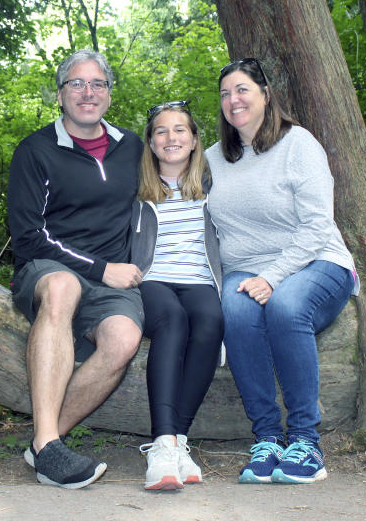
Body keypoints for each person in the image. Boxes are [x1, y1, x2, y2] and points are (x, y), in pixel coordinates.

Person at [206, 57, 359, 485]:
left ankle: (307, 441)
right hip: (243, 269)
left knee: (286, 308)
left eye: (242, 90)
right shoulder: (215, 159)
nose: (233, 100)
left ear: (265, 94)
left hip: (317, 262)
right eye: (225, 93)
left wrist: (272, 277)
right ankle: (269, 439)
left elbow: (317, 225)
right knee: (233, 312)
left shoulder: (298, 144)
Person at [6, 49, 145, 489]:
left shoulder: (132, 148)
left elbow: (170, 191)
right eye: (77, 84)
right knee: (65, 287)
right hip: (49, 268)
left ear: (109, 93)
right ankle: (49, 444)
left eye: (98, 83)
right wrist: (101, 269)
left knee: (123, 339)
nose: (88, 92)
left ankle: (45, 446)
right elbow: (28, 235)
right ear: (61, 94)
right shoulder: (35, 150)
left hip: (112, 279)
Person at [130, 101, 223, 490]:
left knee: (211, 320)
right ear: (151, 143)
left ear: (195, 139)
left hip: (201, 279)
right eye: (162, 131)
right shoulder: (134, 188)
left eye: (180, 129)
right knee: (173, 320)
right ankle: (162, 442)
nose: (171, 138)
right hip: (153, 279)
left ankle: (177, 442)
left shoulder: (215, 184)